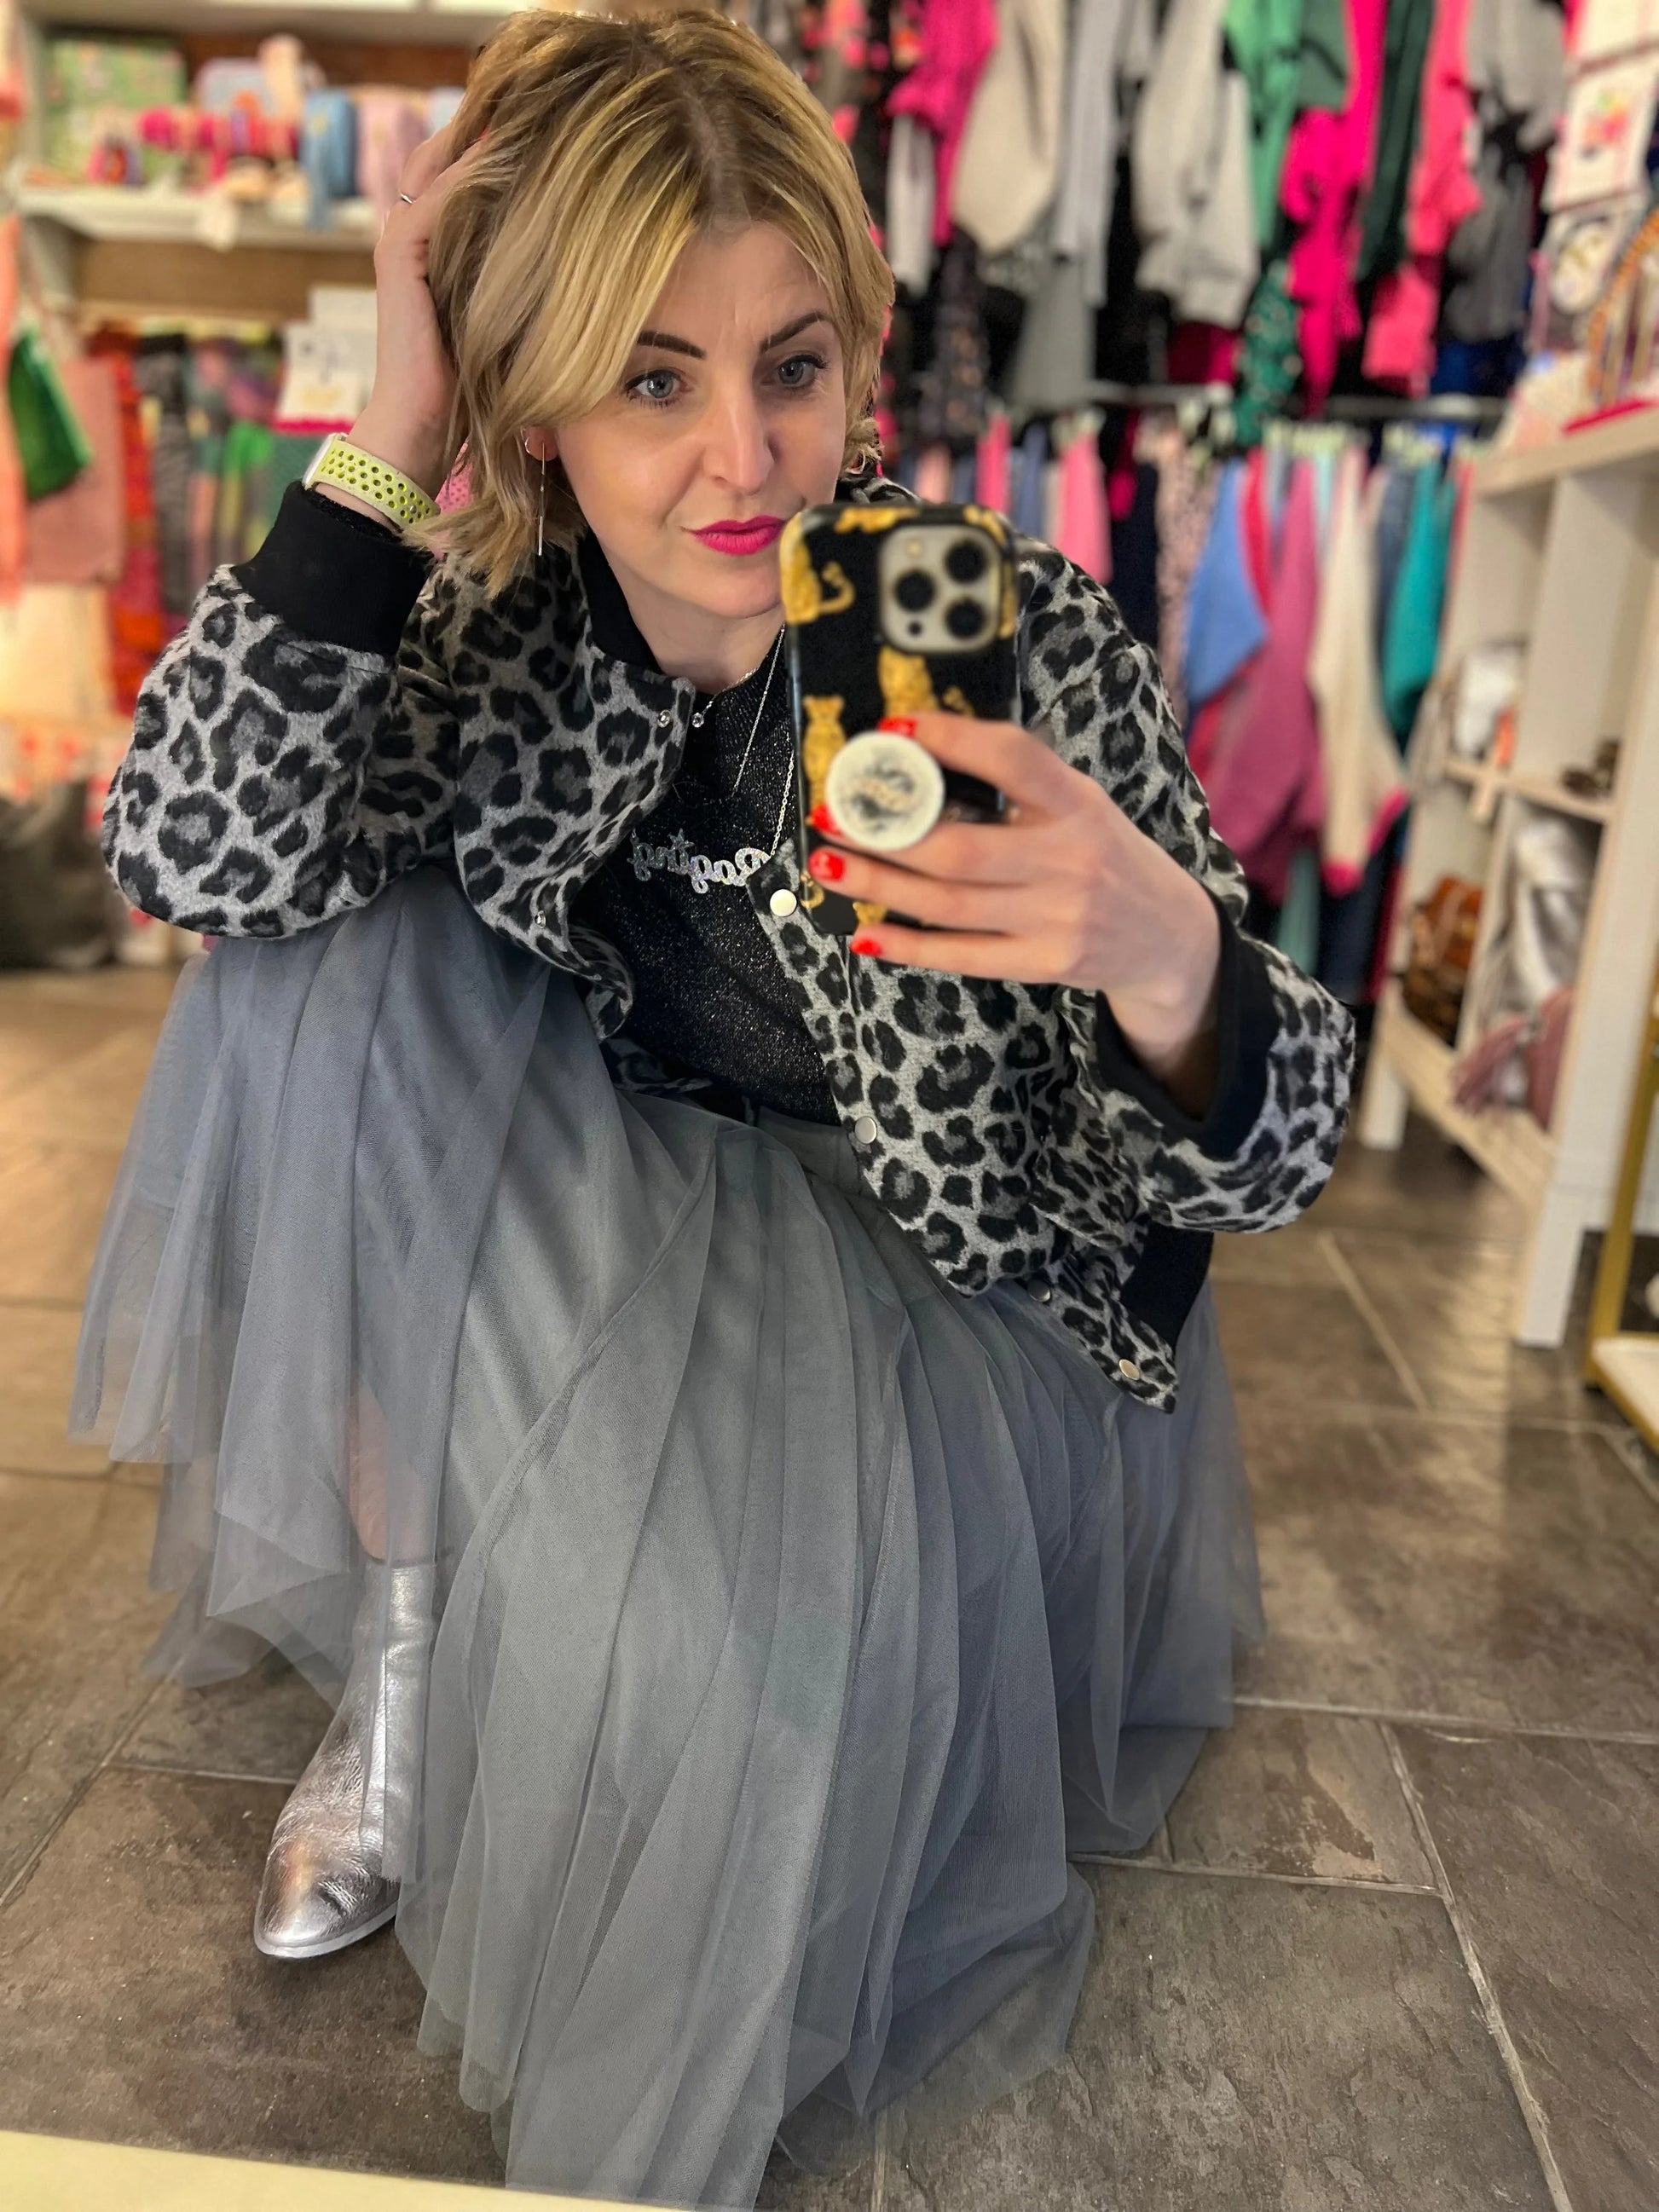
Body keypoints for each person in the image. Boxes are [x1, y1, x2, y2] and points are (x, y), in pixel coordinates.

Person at [74, 11, 1353, 2206]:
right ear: (538, 395)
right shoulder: (492, 626)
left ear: (862, 359)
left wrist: (1166, 952)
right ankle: (399, 1675)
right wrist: (392, 401)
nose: (744, 458)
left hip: (944, 1302)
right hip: (638, 1186)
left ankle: (628, 1627)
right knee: (306, 950)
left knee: (729, 1740)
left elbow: (1285, 1143)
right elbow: (187, 848)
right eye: (652, 376)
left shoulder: (997, 629)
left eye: (794, 364)